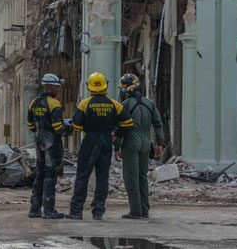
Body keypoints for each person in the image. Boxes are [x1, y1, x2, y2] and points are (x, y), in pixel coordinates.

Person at [66, 72, 134, 220]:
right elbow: (128, 122)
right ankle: (98, 211)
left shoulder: (85, 104)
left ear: (89, 86)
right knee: (102, 177)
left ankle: (76, 211)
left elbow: (76, 126)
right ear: (106, 85)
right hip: (106, 140)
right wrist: (117, 133)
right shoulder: (114, 104)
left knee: (83, 175)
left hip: (90, 140)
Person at [116, 73, 165, 219]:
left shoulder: (125, 105)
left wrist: (116, 146)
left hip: (131, 140)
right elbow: (158, 124)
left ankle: (135, 211)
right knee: (142, 176)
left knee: (131, 177)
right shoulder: (149, 103)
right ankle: (144, 210)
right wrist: (159, 144)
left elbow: (120, 127)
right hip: (146, 141)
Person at [27, 73, 69, 219]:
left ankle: (34, 208)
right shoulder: (54, 104)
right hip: (51, 141)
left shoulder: (34, 102)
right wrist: (68, 128)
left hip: (38, 138)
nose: (59, 90)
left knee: (40, 173)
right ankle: (49, 209)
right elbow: (58, 126)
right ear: (49, 87)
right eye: (57, 87)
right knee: (50, 173)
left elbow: (30, 125)